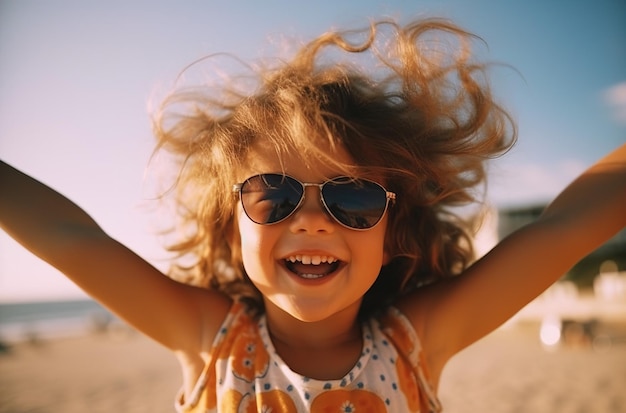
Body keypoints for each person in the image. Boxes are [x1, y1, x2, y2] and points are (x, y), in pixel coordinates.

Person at [1, 18, 624, 412]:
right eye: (272, 195)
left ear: (392, 231)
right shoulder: (208, 338)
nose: (313, 220)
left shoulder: (416, 343)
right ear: (230, 224)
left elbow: (561, 230)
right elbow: (71, 239)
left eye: (350, 197)